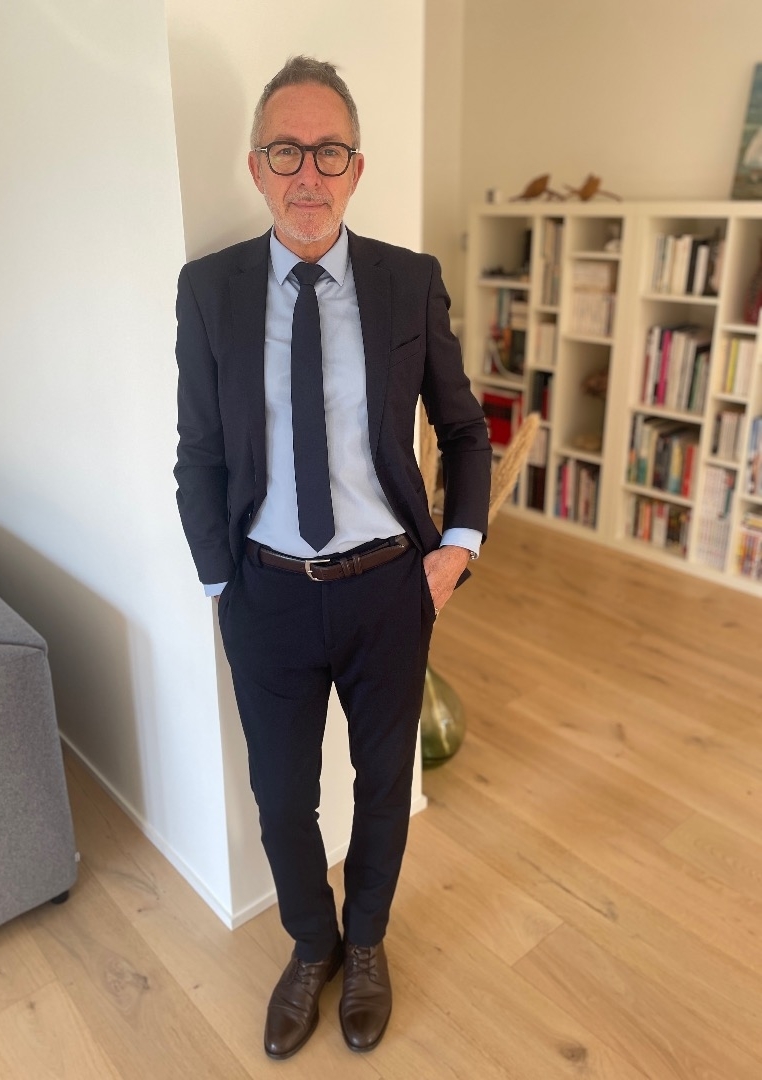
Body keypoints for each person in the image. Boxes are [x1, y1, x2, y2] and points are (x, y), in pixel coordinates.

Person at [174, 56, 491, 1059]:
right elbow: (199, 453)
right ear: (257, 167)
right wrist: (221, 584)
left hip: (390, 588)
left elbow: (463, 428)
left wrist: (457, 549)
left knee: (385, 784)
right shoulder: (210, 290)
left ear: (357, 168)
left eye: (329, 152)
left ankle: (366, 946)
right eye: (286, 151)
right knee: (282, 799)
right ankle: (312, 944)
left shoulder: (408, 281)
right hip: (266, 593)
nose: (307, 174)